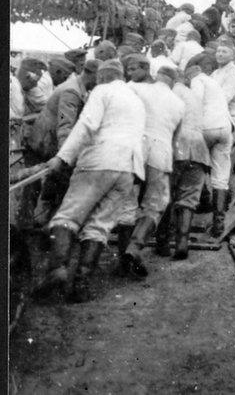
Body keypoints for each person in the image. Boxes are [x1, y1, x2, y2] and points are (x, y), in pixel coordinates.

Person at [40, 59, 146, 302]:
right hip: (127, 168)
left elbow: (86, 125)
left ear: (101, 77)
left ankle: (57, 270)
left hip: (99, 160)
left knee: (67, 216)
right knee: (100, 225)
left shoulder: (102, 91)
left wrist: (62, 157)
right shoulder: (135, 99)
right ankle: (81, 285)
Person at [121, 66, 185, 278]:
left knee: (128, 202)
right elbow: (175, 140)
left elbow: (123, 89)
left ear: (157, 77)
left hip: (137, 147)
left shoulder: (141, 89)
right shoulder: (178, 103)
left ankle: (123, 257)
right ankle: (135, 247)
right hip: (161, 150)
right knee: (156, 203)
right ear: (173, 83)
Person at [28, 60, 101, 226]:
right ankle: (38, 227)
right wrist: (66, 157)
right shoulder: (71, 91)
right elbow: (65, 126)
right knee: (46, 187)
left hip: (46, 143)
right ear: (91, 74)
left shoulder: (76, 88)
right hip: (45, 144)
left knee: (47, 187)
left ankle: (41, 223)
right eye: (99, 78)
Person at [157, 72, 211, 259]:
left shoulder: (170, 94)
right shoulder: (194, 97)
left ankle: (162, 243)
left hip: (176, 147)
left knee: (166, 196)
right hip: (199, 149)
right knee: (188, 199)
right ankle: (182, 243)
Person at [186, 65, 232, 238]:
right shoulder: (214, 82)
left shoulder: (197, 81)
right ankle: (219, 222)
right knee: (221, 174)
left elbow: (195, 102)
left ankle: (203, 200)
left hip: (206, 126)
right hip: (224, 127)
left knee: (196, 166)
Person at [211, 38, 235, 172]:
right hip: (220, 118)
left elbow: (224, 98)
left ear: (233, 55)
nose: (220, 54)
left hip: (232, 119)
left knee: (221, 158)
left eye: (224, 52)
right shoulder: (216, 73)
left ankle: (223, 188)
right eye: (218, 51)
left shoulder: (233, 74)